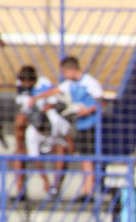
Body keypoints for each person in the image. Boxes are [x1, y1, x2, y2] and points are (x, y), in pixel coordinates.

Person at [39, 56, 102, 200]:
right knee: (84, 158)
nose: (64, 76)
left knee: (88, 158)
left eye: (65, 72)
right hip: (80, 124)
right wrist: (36, 99)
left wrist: (88, 110)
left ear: (72, 70)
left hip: (91, 124)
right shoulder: (70, 84)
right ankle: (87, 189)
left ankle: (89, 191)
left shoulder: (89, 83)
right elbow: (55, 90)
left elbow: (101, 102)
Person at [11, 65, 69, 200]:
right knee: (18, 155)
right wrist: (44, 180)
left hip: (49, 130)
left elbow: (55, 103)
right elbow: (24, 109)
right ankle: (20, 192)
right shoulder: (31, 130)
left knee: (61, 149)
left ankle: (55, 188)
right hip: (36, 129)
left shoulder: (45, 86)